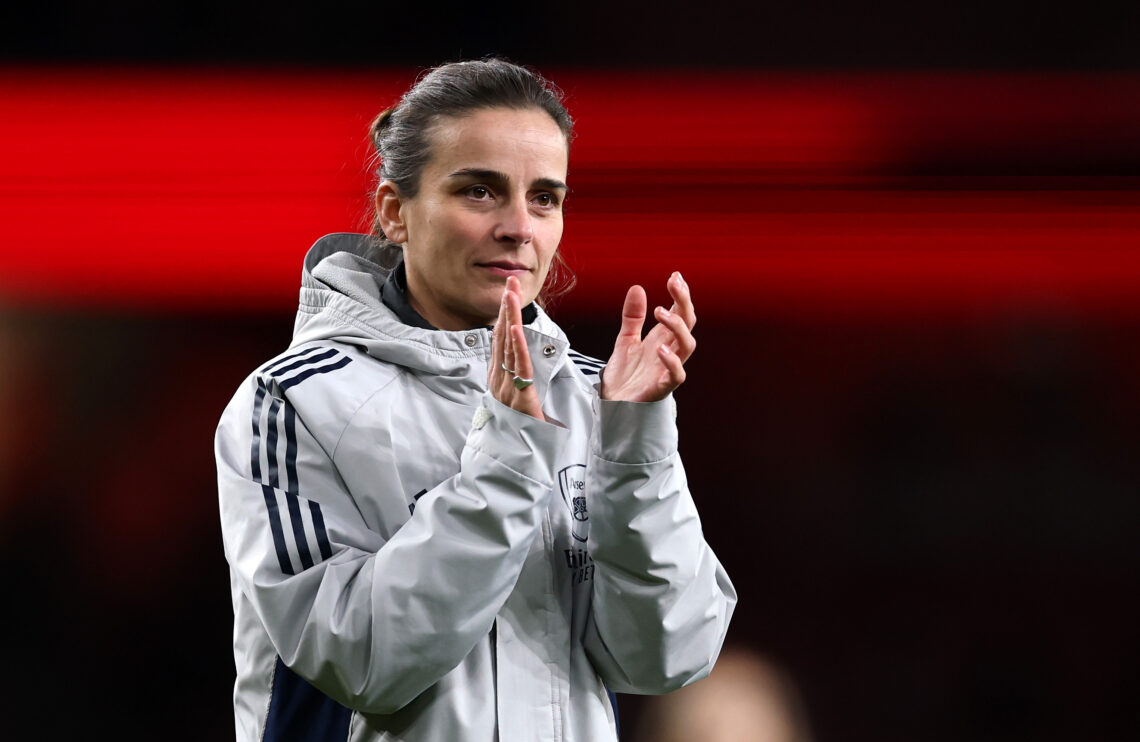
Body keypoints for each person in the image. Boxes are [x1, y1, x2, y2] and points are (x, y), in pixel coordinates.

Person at [215, 58, 736, 742]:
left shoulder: (593, 400)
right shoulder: (294, 401)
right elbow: (361, 659)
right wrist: (511, 456)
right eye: (480, 192)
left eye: (545, 198)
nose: (520, 226)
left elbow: (667, 657)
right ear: (395, 213)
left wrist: (635, 450)